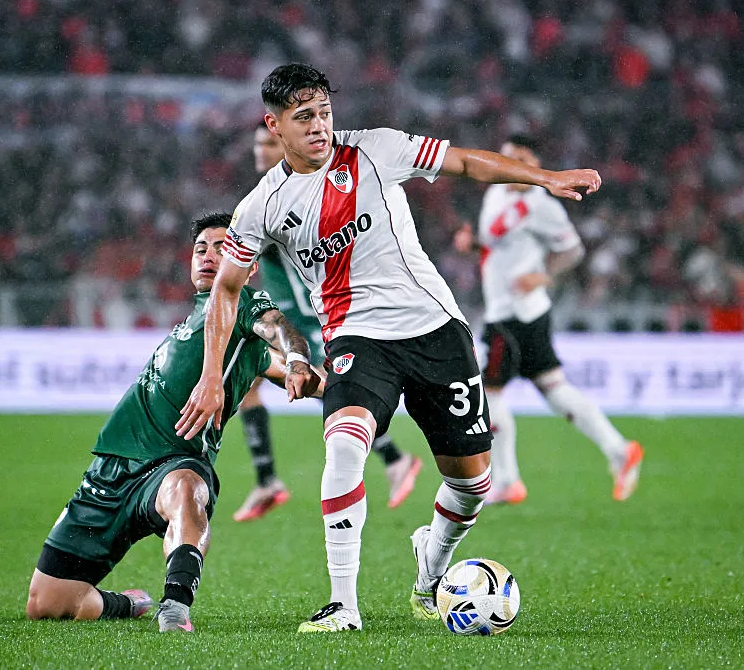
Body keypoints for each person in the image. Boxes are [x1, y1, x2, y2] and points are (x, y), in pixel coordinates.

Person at [175, 63, 601, 633]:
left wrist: (544, 178)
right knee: (345, 447)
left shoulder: (377, 149)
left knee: (473, 482)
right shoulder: (263, 205)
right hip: (355, 336)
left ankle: (433, 564)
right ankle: (343, 604)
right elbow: (227, 289)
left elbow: (466, 161)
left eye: (325, 112)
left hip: (434, 329)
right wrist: (210, 376)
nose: (320, 126)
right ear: (273, 125)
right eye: (304, 118)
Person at [25, 212, 322, 633]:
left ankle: (176, 606)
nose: (208, 256)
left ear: (249, 265)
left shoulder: (243, 304)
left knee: (187, 490)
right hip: (111, 470)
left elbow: (283, 334)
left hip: (172, 464)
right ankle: (128, 604)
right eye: (201, 248)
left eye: (223, 248)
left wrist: (300, 361)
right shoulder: (194, 322)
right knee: (46, 604)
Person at [233, 122, 423, 522]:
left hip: (313, 319)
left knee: (335, 391)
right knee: (248, 376)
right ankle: (268, 477)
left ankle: (394, 457)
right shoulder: (266, 196)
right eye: (257, 143)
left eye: (268, 142)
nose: (260, 150)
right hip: (288, 316)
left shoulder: (291, 195)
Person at [464, 134, 644, 505]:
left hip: (514, 314)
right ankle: (619, 449)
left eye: (522, 158)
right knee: (554, 388)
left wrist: (542, 275)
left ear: (534, 166)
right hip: (516, 312)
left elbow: (573, 249)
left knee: (489, 393)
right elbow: (496, 243)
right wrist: (472, 244)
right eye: (509, 157)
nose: (513, 164)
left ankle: (507, 480)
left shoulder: (540, 204)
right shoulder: (496, 193)